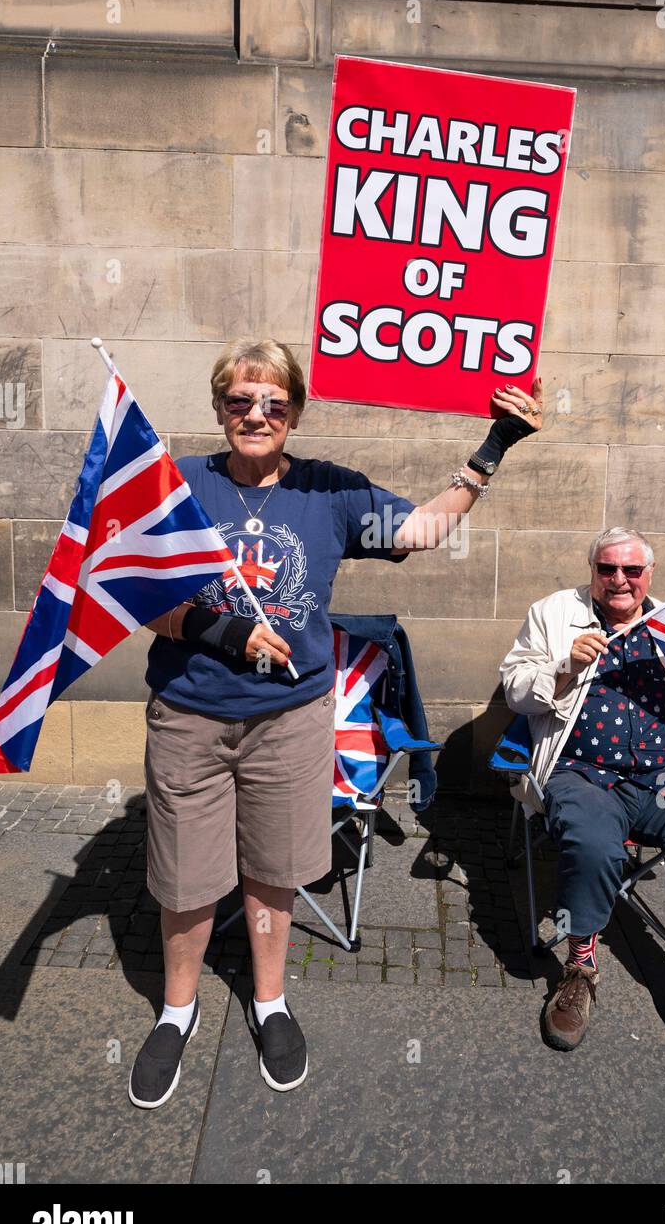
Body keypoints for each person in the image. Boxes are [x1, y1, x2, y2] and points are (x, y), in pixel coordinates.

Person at [128, 336, 542, 1107]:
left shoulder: (331, 493)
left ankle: (271, 1000)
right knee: (185, 875)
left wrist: (495, 446)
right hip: (189, 714)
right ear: (219, 408)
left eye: (274, 401)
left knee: (276, 868)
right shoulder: (178, 487)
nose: (257, 413)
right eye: (240, 401)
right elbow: (137, 594)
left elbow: (420, 531)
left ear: (296, 411)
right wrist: (221, 631)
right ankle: (176, 1011)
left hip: (290, 716)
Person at [499, 527, 665, 1086]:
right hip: (583, 774)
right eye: (607, 569)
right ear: (592, 569)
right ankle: (580, 969)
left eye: (632, 570)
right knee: (593, 843)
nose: (619, 580)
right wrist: (564, 666)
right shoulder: (553, 614)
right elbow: (515, 692)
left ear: (650, 573)